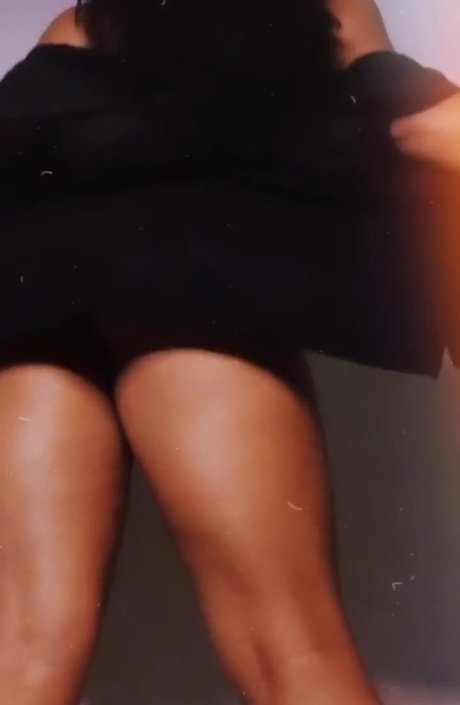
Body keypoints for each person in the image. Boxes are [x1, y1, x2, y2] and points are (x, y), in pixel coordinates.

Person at [0, 2, 458, 705]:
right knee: (290, 649)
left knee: (24, 649)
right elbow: (420, 125)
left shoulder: (77, 24)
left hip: (31, 294)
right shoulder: (324, 8)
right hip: (176, 278)